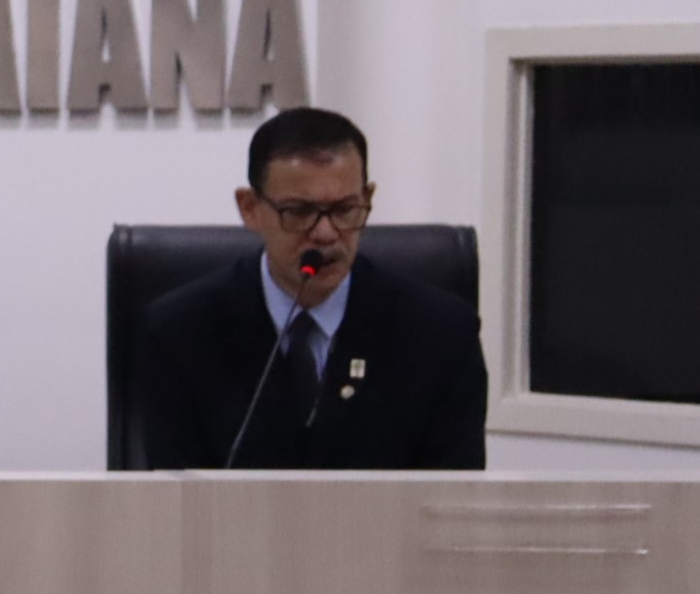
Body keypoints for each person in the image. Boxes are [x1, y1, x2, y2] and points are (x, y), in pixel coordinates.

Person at [138, 106, 486, 469]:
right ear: (250, 208)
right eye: (300, 212)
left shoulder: (440, 334)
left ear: (367, 197)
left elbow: (453, 508)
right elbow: (176, 505)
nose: (325, 233)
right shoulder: (179, 332)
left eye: (346, 209)